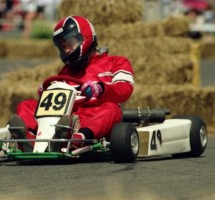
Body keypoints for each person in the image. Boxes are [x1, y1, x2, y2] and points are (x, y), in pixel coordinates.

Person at [9, 15, 135, 149]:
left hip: (95, 116)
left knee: (111, 108)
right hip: (66, 118)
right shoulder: (66, 71)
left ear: (84, 38)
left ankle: (78, 139)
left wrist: (101, 89)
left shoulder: (116, 62)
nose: (67, 50)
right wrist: (46, 93)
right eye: (63, 47)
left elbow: (124, 89)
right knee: (26, 105)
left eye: (70, 44)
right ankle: (29, 139)